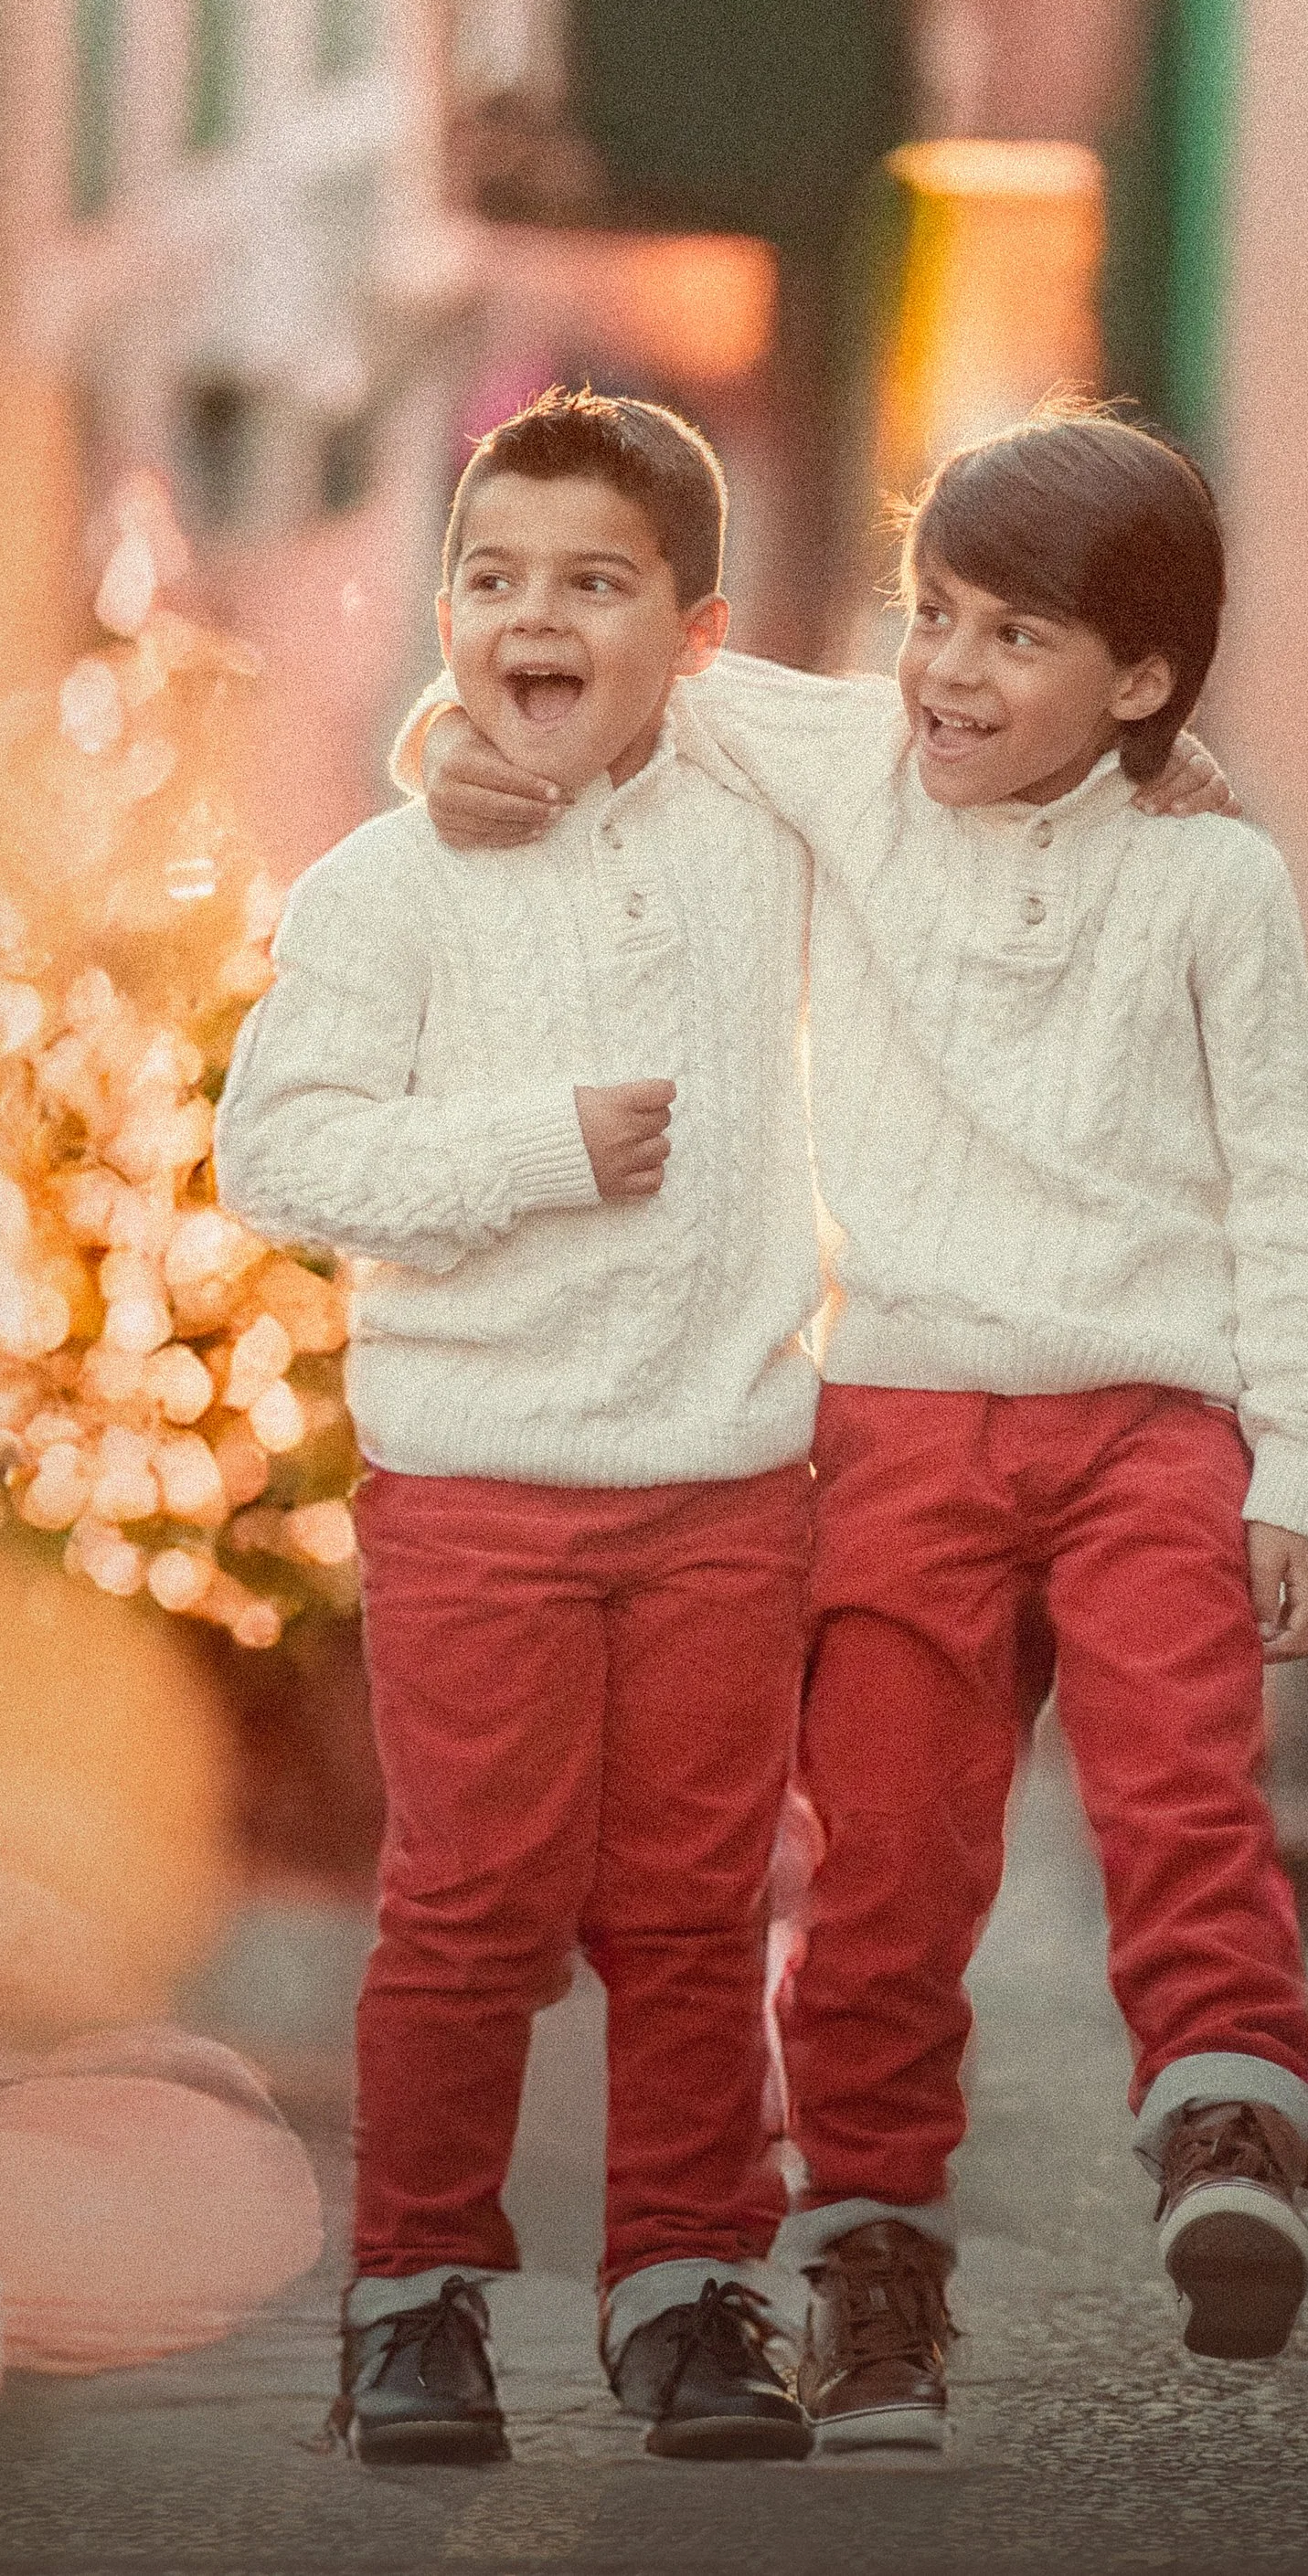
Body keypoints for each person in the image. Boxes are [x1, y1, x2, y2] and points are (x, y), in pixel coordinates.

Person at [411, 402, 1308, 2451]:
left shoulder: (1211, 880)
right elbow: (594, 665)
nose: (944, 670)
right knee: (883, 1875)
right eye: (932, 614)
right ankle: (868, 2262)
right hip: (905, 1416)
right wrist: (451, 747)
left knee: (1178, 1783)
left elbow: (1286, 1178)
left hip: (1150, 1422)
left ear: (1139, 679)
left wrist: (1299, 1459)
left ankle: (1224, 2125)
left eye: (1015, 639)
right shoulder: (851, 757)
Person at [213, 390, 826, 2465]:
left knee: (692, 1906)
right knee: (468, 1908)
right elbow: (277, 1159)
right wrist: (533, 1147)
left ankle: (686, 2293)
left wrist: (1130, 771)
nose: (529, 620)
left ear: (698, 631)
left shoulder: (761, 839)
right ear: (440, 611)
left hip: (727, 1478)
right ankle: (416, 2296)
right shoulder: (388, 889)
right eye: (489, 581)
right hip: (477, 1481)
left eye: (592, 583)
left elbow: (901, 759)